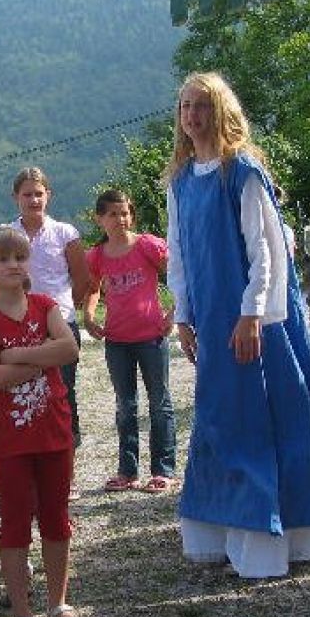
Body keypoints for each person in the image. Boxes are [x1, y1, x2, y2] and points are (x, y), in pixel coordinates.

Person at [166, 72, 310, 578]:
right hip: (212, 319)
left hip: (257, 320)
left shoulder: (242, 173)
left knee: (266, 421)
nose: (192, 115)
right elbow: (179, 256)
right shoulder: (180, 182)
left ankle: (274, 542)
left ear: (220, 111)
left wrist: (252, 313)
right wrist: (183, 315)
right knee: (222, 421)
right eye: (185, 106)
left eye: (201, 105)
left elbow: (266, 252)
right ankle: (226, 533)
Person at [0, 226, 91, 617]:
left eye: (19, 257)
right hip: (9, 441)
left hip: (54, 432)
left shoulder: (45, 306)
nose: (12, 265)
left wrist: (18, 356)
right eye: (2, 258)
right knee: (16, 523)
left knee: (57, 519)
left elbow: (70, 349)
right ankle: (22, 615)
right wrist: (43, 357)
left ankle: (58, 605)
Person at [83, 188, 177, 493]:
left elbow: (178, 275)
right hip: (117, 340)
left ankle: (163, 469)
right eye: (112, 214)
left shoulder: (148, 245)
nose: (120, 219)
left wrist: (174, 312)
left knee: (159, 403)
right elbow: (93, 288)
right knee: (125, 405)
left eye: (124, 213)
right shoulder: (97, 255)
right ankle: (127, 470)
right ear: (100, 219)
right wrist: (89, 315)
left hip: (151, 337)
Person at [9, 167, 90, 448]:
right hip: (20, 322)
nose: (34, 200)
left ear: (48, 195)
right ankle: (32, 446)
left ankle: (68, 448)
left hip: (61, 323)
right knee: (25, 389)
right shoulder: (7, 234)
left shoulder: (65, 233)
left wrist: (63, 310)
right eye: (27, 194)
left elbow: (82, 278)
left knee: (62, 389)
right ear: (16, 197)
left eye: (39, 194)